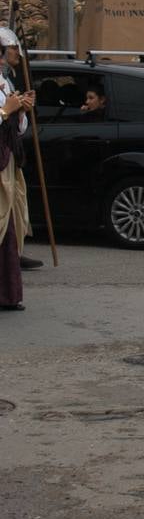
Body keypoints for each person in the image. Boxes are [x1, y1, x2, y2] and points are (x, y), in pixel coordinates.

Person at [0, 28, 35, 311]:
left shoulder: (6, 82)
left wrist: (21, 110)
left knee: (9, 225)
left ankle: (7, 293)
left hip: (7, 158)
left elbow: (15, 129)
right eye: (8, 50)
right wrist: (6, 111)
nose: (11, 56)